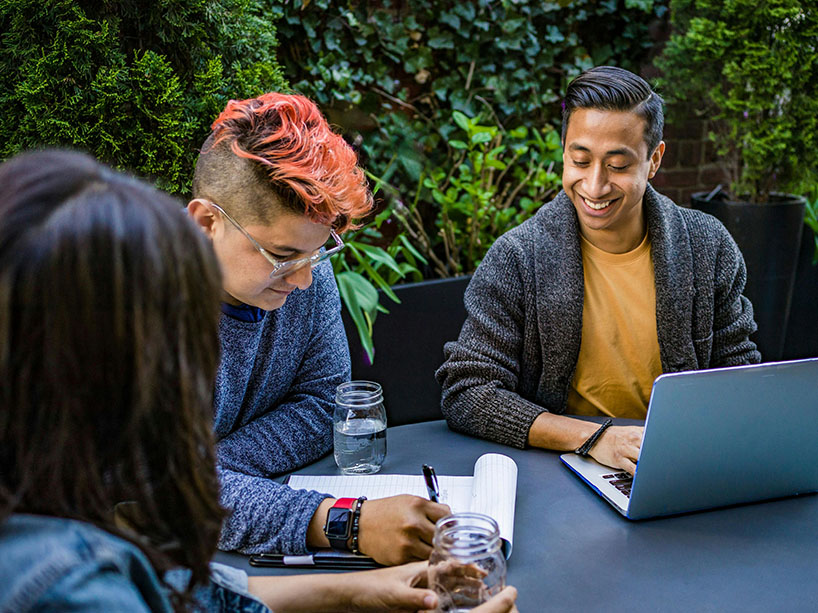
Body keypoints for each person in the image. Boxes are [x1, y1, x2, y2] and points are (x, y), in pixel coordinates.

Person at [0, 149, 518, 613]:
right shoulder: (58, 579)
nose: (305, 279)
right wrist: (343, 522)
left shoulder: (53, 521)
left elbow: (171, 590)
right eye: (158, 342)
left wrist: (353, 592)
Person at [436, 66, 761, 475]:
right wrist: (593, 438)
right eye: (580, 160)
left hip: (680, 463)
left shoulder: (707, 246)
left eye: (618, 165)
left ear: (654, 159)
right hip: (565, 468)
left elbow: (740, 374)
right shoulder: (518, 257)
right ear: (564, 153)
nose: (594, 185)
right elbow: (466, 391)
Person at [186, 92, 450, 565]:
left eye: (318, 252)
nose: (306, 279)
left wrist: (214, 469)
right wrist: (346, 522)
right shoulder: (137, 317)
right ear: (206, 223)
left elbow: (324, 405)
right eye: (283, 256)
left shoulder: (304, 269)